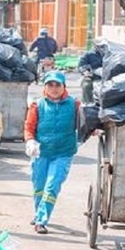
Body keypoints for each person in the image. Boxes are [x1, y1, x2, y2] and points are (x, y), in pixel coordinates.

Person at [23, 71, 83, 234]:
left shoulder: (75, 105)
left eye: (58, 85)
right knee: (39, 186)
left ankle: (41, 220)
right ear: (45, 87)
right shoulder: (37, 105)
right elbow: (29, 127)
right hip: (41, 153)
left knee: (52, 186)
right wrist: (30, 141)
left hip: (63, 152)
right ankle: (38, 212)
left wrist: (93, 130)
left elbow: (83, 124)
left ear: (64, 87)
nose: (54, 88)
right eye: (50, 85)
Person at [77, 38, 110, 104]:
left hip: (106, 76)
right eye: (99, 46)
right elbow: (81, 66)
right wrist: (85, 71)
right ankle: (88, 103)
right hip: (92, 76)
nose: (101, 48)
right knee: (86, 85)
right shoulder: (88, 54)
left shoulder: (108, 54)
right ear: (94, 45)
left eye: (103, 46)